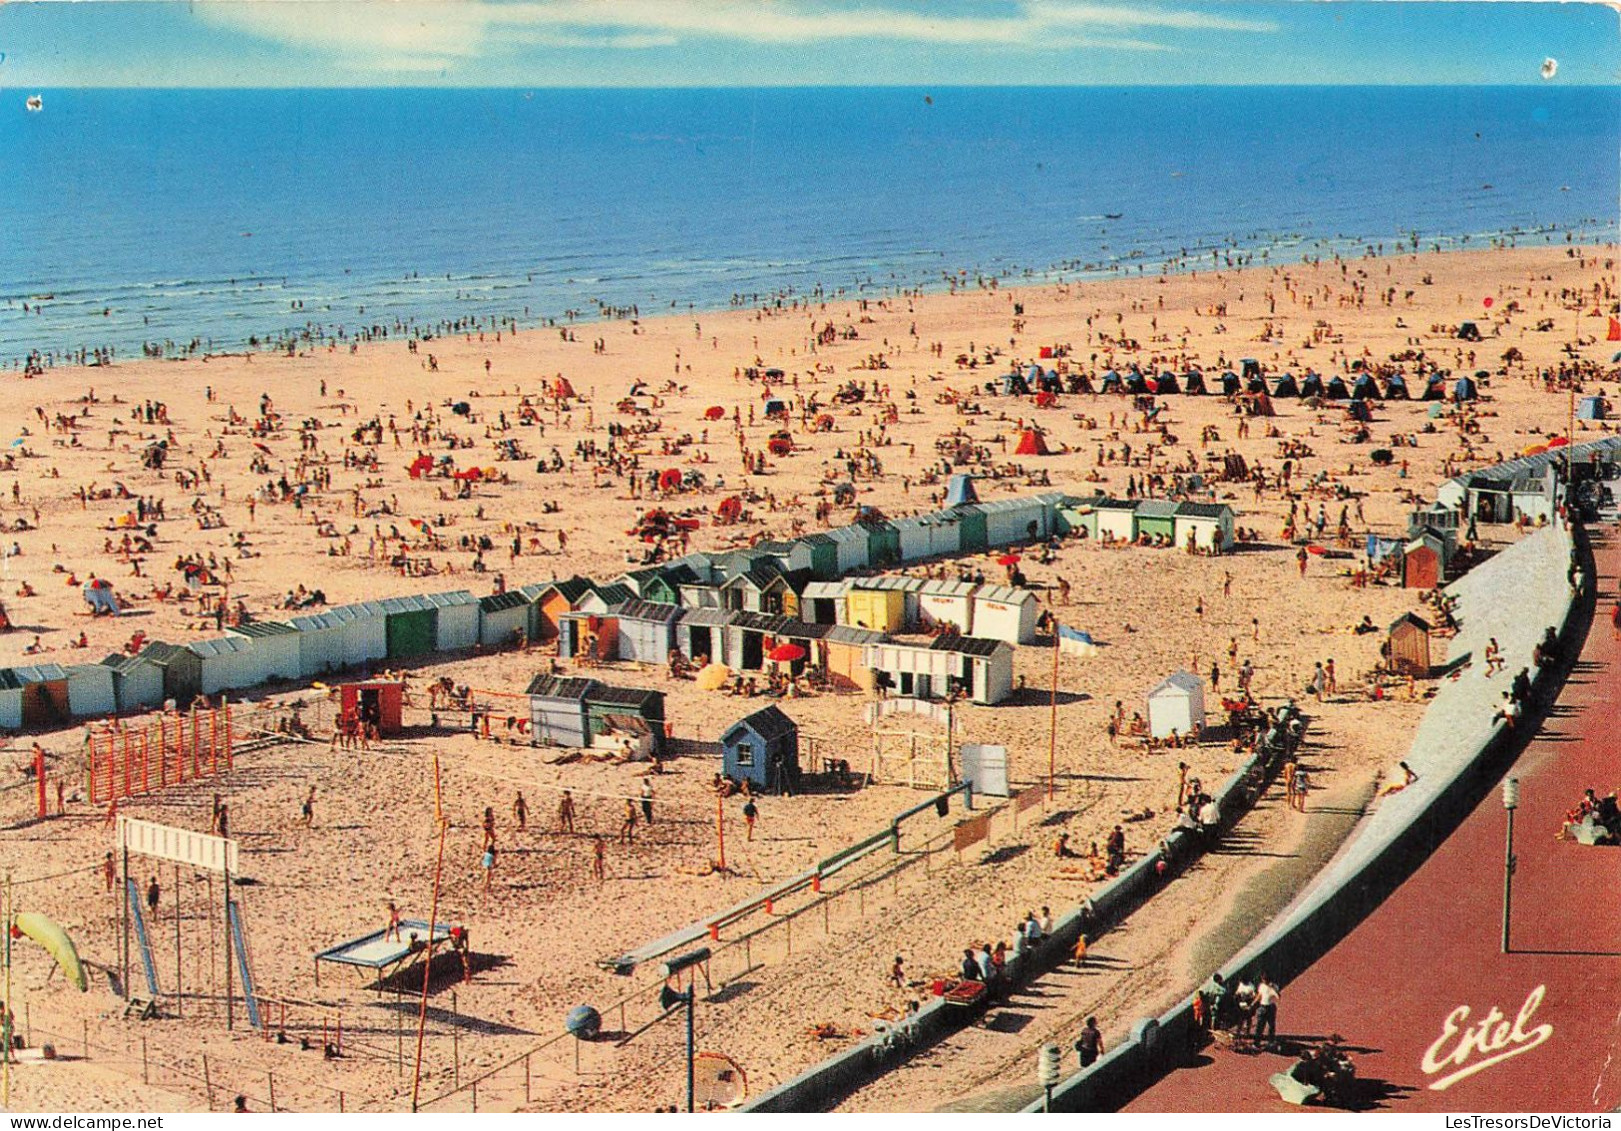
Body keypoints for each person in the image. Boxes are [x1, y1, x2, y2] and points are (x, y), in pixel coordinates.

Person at [1254, 974, 1280, 1047]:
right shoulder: (1261, 986)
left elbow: (1278, 997)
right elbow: (1259, 995)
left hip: (1270, 1007)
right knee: (1259, 1026)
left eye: (1265, 979)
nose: (1264, 981)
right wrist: (1253, 1004)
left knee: (1271, 1025)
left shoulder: (1274, 986)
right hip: (1262, 1007)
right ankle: (1257, 1042)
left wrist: (1272, 988)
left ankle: (1271, 1042)